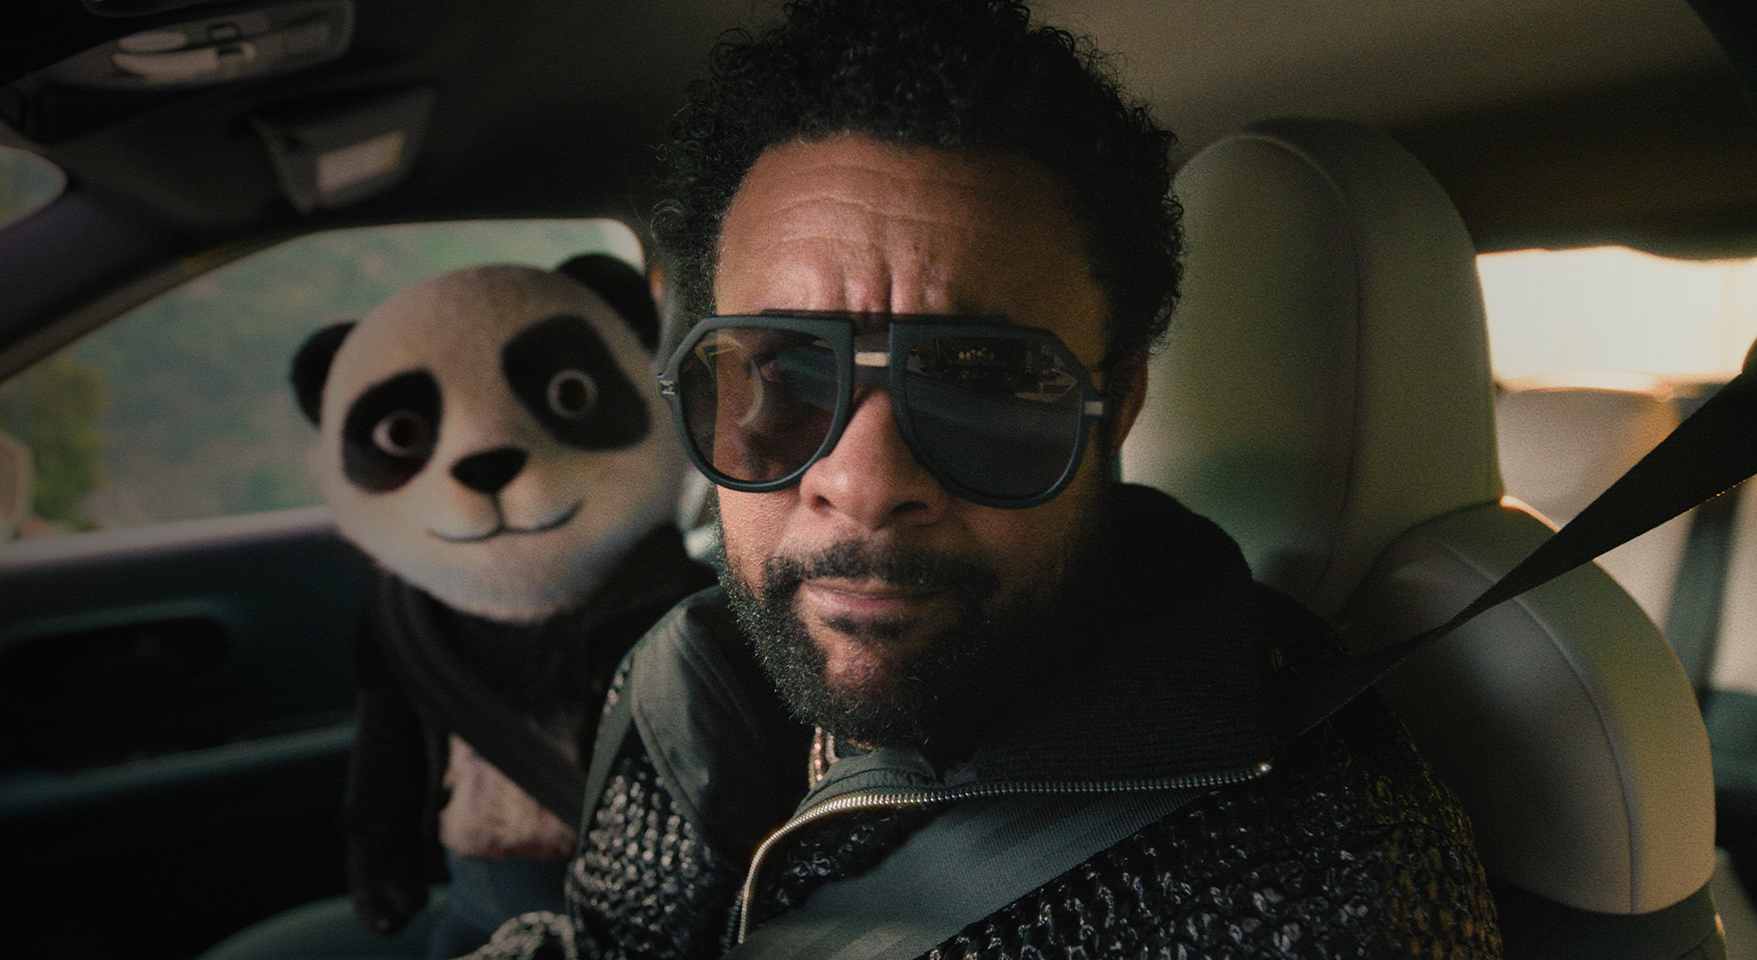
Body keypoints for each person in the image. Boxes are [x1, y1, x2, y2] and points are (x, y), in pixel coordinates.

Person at [472, 0, 1502, 955]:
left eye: (983, 380)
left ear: (1119, 405)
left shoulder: (1309, 883)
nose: (862, 483)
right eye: (783, 369)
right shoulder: (689, 670)